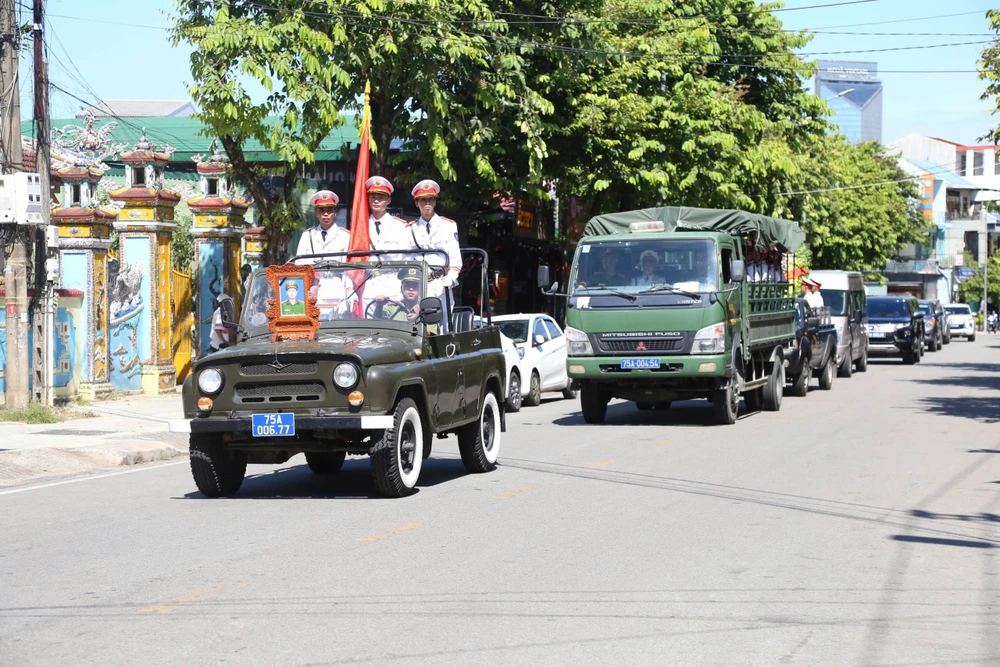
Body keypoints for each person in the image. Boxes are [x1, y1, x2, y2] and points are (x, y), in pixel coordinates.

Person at [405, 179, 462, 302]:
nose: (427, 203)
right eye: (423, 200)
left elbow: (455, 257)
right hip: (417, 285)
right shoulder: (410, 229)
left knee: (444, 315)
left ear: (435, 202)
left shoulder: (448, 225)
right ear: (416, 203)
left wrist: (452, 277)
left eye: (430, 199)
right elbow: (406, 259)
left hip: (441, 283)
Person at [294, 190, 349, 259]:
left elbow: (347, 262)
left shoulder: (345, 236)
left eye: (330, 210)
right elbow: (300, 262)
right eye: (321, 210)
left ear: (335, 213)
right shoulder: (307, 235)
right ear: (316, 213)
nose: (325, 214)